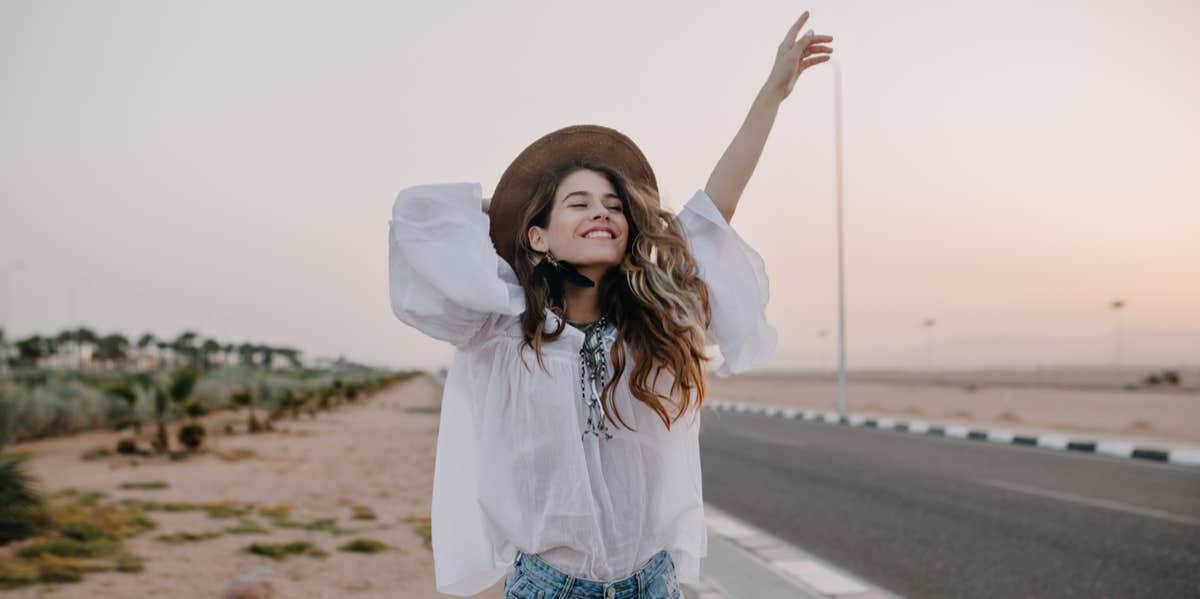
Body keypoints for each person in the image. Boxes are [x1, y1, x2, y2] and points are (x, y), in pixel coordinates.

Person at [387, 12, 833, 598]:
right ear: (537, 235)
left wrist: (772, 93)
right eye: (578, 204)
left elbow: (715, 211)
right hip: (550, 588)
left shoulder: (652, 320)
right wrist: (521, 207)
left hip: (653, 584)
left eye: (614, 205)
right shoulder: (502, 327)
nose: (602, 212)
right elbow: (420, 218)